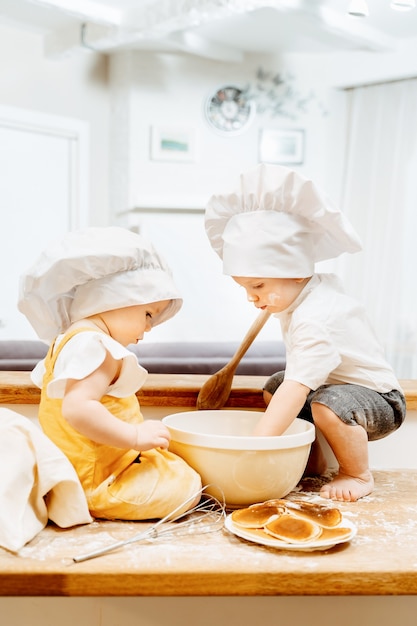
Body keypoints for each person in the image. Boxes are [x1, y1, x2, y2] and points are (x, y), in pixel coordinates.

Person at [205, 164, 406, 503]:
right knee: (274, 387)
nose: (250, 297)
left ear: (296, 272)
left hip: (381, 401)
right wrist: (271, 298)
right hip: (336, 389)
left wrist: (254, 448)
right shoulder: (301, 295)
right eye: (245, 287)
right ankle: (312, 459)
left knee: (324, 403)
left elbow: (299, 390)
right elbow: (289, 384)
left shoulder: (316, 317)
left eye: (257, 285)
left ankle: (357, 473)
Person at [18, 226, 202, 520]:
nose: (148, 329)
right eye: (148, 315)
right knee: (187, 485)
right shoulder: (96, 347)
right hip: (97, 479)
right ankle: (94, 500)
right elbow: (78, 409)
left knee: (175, 465)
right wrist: (134, 436)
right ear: (115, 299)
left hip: (91, 466)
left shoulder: (70, 339)